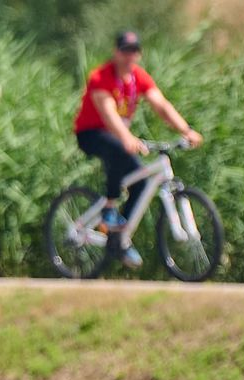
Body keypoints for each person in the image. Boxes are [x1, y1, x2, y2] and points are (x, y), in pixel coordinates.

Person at [73, 30, 204, 268]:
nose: (128, 56)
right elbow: (108, 113)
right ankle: (109, 210)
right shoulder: (100, 77)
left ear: (139, 54)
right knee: (119, 149)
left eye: (133, 51)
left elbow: (161, 105)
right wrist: (126, 138)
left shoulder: (138, 78)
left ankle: (119, 239)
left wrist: (186, 130)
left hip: (118, 136)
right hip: (91, 134)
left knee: (141, 184)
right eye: (124, 51)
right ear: (116, 52)